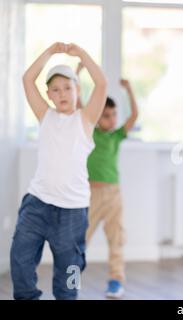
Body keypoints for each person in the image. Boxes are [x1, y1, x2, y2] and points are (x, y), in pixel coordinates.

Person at [10, 42, 107, 300]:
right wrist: (50, 52)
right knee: (20, 258)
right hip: (37, 204)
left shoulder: (85, 120)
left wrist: (82, 55)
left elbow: (102, 84)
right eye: (55, 89)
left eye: (67, 87)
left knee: (69, 271)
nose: (62, 93)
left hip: (72, 211)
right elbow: (27, 79)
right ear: (49, 95)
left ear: (77, 90)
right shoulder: (46, 116)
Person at [85, 79, 139, 299]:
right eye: (106, 115)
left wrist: (129, 89)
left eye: (114, 114)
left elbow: (134, 116)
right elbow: (82, 108)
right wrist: (79, 77)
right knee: (79, 238)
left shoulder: (117, 136)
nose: (112, 119)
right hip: (90, 195)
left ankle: (116, 280)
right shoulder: (90, 133)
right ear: (97, 117)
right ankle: (70, 278)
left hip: (113, 194)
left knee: (116, 238)